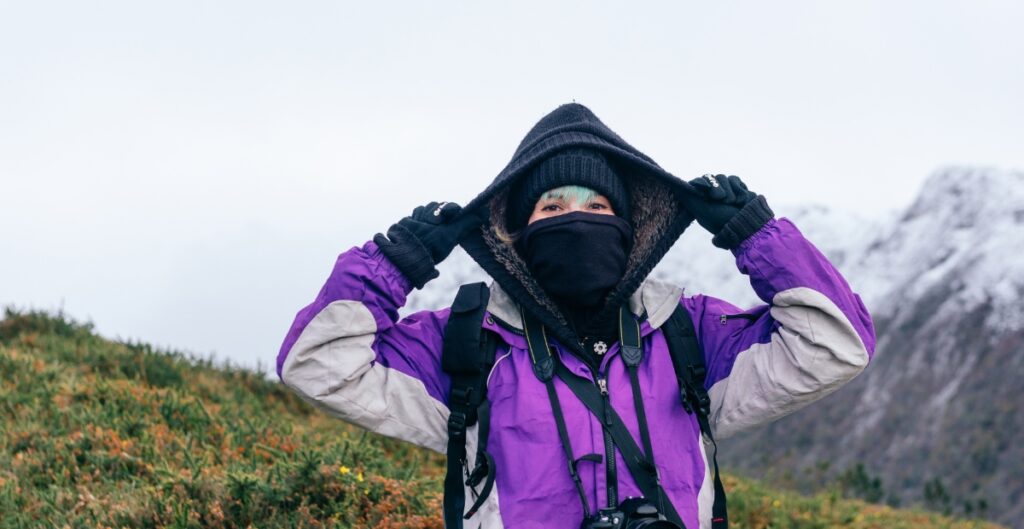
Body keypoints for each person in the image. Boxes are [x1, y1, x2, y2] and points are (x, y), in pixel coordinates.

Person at [276, 103, 876, 529]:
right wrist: (394, 264)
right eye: (552, 205)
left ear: (630, 229)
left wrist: (756, 236)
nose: (576, 217)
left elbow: (834, 344)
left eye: (598, 204)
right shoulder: (466, 343)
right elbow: (318, 365)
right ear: (517, 232)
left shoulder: (687, 334)